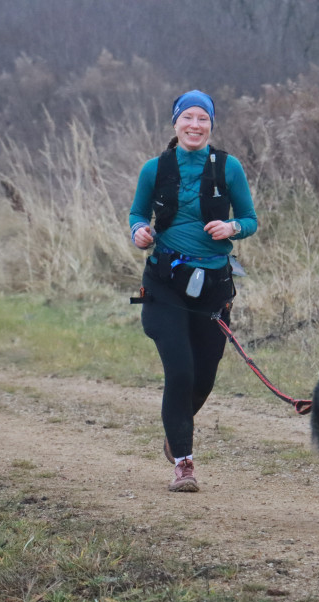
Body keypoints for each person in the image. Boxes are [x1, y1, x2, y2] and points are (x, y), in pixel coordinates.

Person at [128, 90, 258, 492]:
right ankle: (183, 461)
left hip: (214, 287)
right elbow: (136, 213)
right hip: (164, 284)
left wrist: (232, 228)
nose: (195, 125)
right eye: (188, 118)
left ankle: (175, 430)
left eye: (203, 118)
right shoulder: (155, 168)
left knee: (204, 376)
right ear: (176, 124)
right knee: (180, 371)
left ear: (211, 125)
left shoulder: (229, 167)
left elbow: (250, 219)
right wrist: (139, 232)